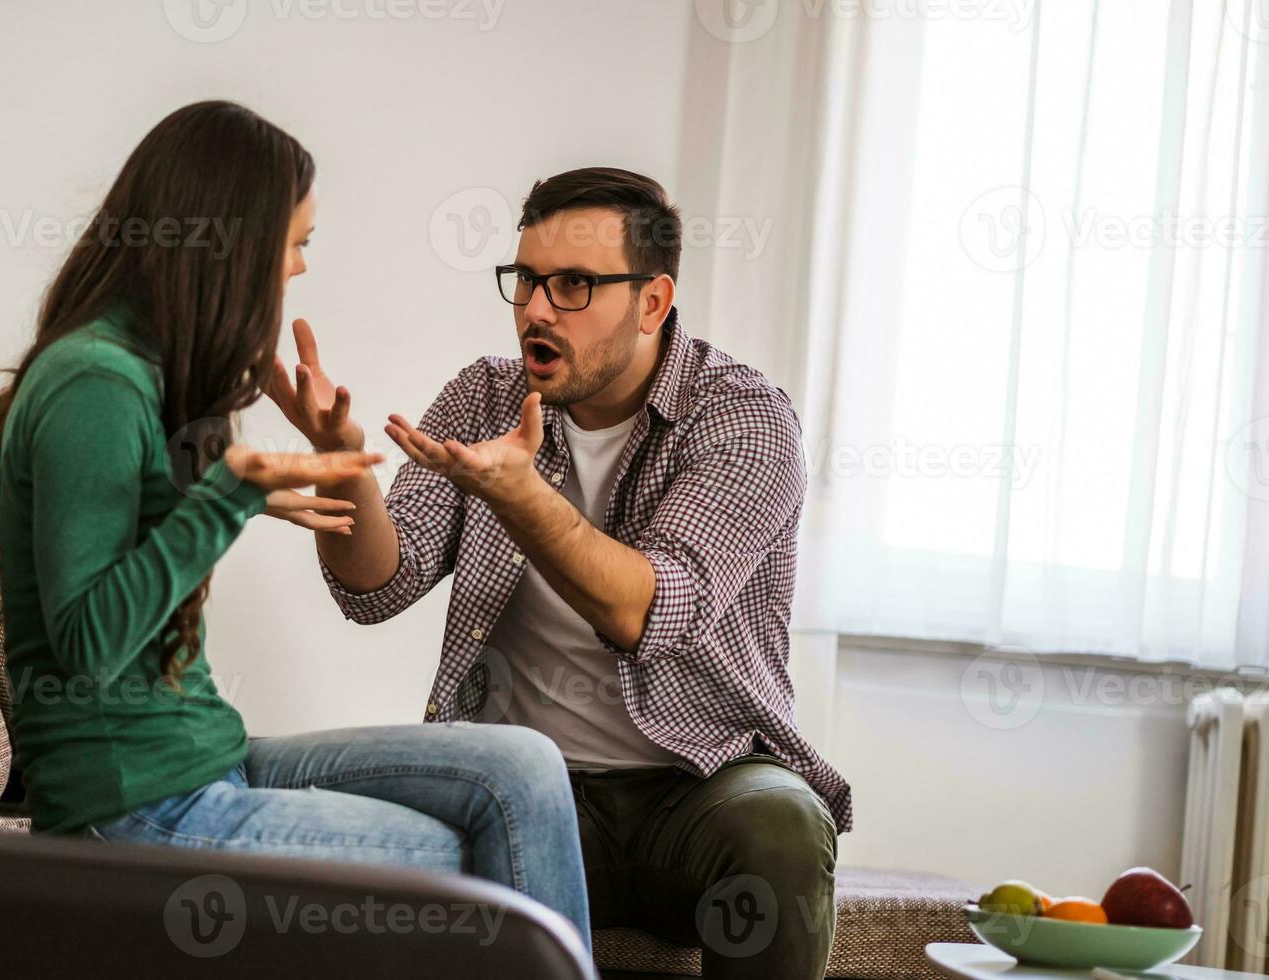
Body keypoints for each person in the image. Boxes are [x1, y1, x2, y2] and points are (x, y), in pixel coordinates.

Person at [0, 100, 589, 944]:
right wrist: (227, 498)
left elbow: (354, 578)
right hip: (130, 806)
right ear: (229, 243)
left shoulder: (145, 371)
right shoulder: (95, 383)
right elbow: (85, 643)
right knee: (457, 863)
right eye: (296, 243)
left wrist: (252, 485)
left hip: (208, 757)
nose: (296, 268)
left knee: (524, 769)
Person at [273, 167, 850, 978]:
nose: (538, 310)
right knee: (378, 840)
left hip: (698, 783)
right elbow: (377, 586)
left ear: (652, 301)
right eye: (527, 281)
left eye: (574, 285)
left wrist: (520, 497)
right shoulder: (483, 397)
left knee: (782, 827)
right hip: (527, 786)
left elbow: (646, 610)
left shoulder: (743, 417)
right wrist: (342, 464)